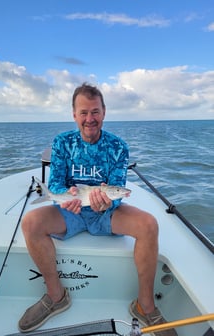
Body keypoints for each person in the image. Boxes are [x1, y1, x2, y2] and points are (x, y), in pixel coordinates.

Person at [18, 83, 178, 336]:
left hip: (106, 213)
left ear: (104, 112)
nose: (89, 119)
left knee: (149, 225)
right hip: (71, 210)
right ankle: (56, 296)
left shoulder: (118, 146)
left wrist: (109, 202)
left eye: (95, 112)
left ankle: (144, 306)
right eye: (83, 112)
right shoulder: (62, 142)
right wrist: (67, 195)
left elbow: (118, 189)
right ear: (74, 115)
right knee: (30, 223)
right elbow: (57, 182)